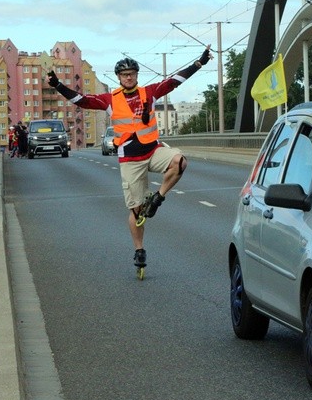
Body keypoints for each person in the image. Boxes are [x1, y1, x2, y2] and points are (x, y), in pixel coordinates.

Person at [47, 45, 213, 271]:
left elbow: (175, 81)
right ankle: (139, 249)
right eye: (124, 75)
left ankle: (158, 198)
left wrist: (198, 63)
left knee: (180, 161)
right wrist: (58, 85)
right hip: (130, 159)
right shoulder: (109, 99)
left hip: (153, 150)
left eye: (132, 74)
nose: (128, 77)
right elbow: (82, 100)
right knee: (136, 211)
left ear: (136, 75)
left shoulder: (150, 92)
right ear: (119, 77)